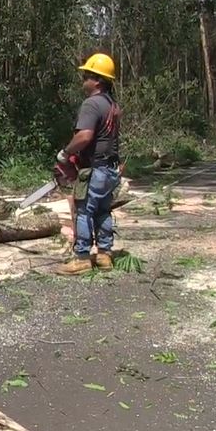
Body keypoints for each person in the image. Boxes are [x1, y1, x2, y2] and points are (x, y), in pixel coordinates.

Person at [56, 53, 122, 275]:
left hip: (95, 169)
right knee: (102, 211)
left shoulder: (92, 104)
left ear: (98, 80)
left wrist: (66, 153)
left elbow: (84, 136)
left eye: (88, 75)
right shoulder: (111, 104)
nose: (84, 78)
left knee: (84, 212)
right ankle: (104, 255)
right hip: (110, 168)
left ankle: (82, 257)